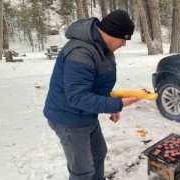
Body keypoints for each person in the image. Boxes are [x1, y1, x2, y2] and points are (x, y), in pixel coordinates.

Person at [43, 10, 140, 180]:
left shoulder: (101, 47)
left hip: (85, 113)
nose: (124, 44)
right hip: (68, 118)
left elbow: (95, 84)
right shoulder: (81, 52)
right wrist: (118, 104)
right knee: (83, 171)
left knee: (99, 153)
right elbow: (77, 97)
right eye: (124, 39)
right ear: (112, 33)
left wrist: (109, 103)